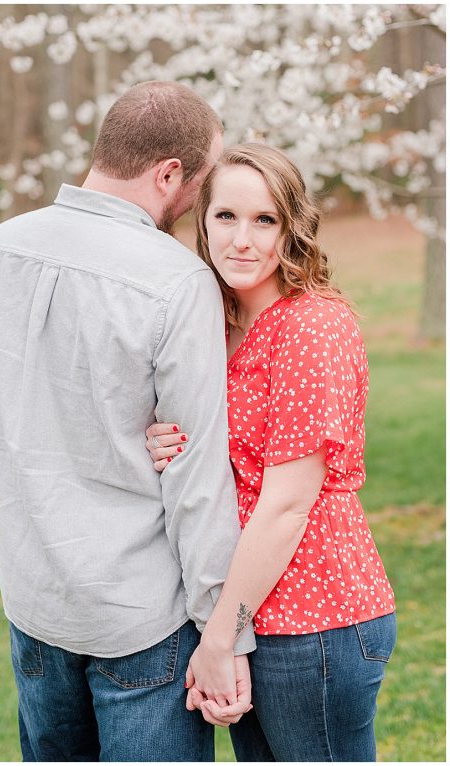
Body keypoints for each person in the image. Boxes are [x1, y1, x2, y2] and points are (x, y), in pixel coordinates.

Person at [0, 80, 254, 762]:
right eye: (201, 182)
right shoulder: (178, 281)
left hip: (33, 598)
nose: (198, 202)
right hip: (141, 616)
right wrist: (223, 633)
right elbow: (196, 475)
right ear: (169, 172)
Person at [144, 143, 396, 761]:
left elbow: (286, 503)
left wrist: (219, 639)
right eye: (226, 216)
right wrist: (162, 439)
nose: (242, 240)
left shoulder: (311, 326)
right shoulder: (216, 325)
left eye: (265, 221)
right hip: (251, 615)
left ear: (293, 228)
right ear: (202, 222)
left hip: (315, 620)